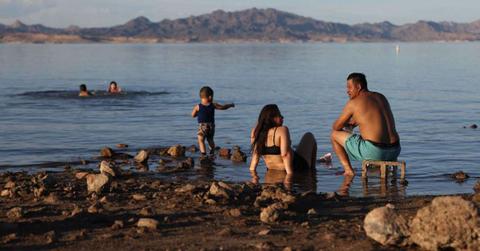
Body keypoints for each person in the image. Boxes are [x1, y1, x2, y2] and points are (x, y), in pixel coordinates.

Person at [331, 73, 401, 176]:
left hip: (375, 152)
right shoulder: (381, 97)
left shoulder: (354, 103)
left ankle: (348, 171)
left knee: (334, 135)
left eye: (350, 87)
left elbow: (336, 127)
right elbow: (372, 118)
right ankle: (383, 172)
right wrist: (355, 122)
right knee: (372, 140)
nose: (347, 91)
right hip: (395, 150)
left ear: (358, 87)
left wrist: (348, 124)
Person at [249, 104, 317, 176]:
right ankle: (312, 172)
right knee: (309, 136)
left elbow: (255, 156)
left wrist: (253, 176)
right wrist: (289, 177)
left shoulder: (256, 132)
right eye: (279, 115)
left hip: (272, 169)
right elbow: (285, 155)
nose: (282, 117)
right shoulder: (282, 130)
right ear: (271, 118)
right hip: (296, 168)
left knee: (293, 148)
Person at [191, 86, 235, 156]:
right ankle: (212, 152)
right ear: (210, 97)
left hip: (202, 126)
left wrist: (198, 114)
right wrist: (230, 105)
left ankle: (203, 154)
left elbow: (192, 115)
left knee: (201, 139)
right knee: (210, 140)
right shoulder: (213, 105)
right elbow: (223, 107)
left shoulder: (198, 106)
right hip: (211, 126)